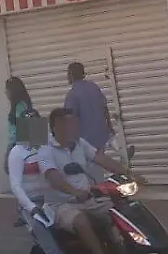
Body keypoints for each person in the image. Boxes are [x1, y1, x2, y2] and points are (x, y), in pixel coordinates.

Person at [39, 107, 144, 254]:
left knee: (120, 211)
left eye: (73, 123)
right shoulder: (45, 150)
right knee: (81, 221)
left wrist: (129, 173)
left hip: (90, 199)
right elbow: (54, 178)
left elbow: (101, 159)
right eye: (67, 124)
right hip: (62, 205)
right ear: (56, 127)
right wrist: (75, 192)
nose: (72, 127)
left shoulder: (80, 143)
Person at [7, 111, 64, 254]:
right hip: (33, 202)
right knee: (41, 228)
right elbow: (15, 185)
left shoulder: (51, 143)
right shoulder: (17, 152)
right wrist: (31, 207)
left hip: (55, 197)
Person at [64, 62, 115, 151]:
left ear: (71, 74)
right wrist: (110, 127)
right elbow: (105, 108)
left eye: (68, 73)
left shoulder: (72, 94)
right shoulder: (93, 87)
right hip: (101, 136)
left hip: (85, 141)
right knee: (100, 157)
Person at [4, 77, 35, 174]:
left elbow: (22, 126)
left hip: (17, 144)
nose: (5, 92)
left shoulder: (20, 106)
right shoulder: (23, 105)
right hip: (19, 144)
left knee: (11, 169)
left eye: (7, 89)